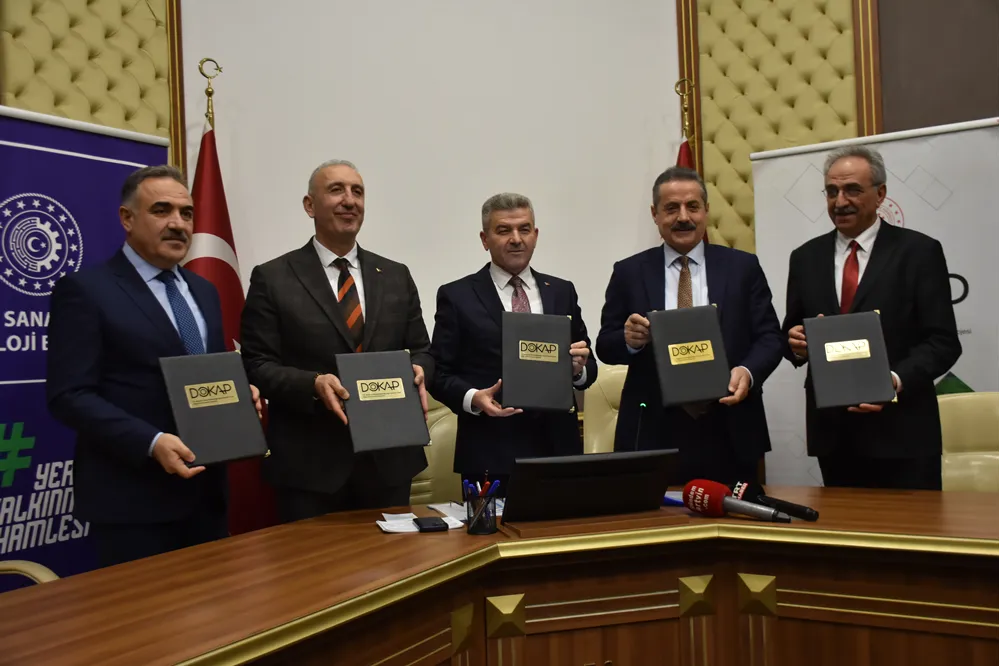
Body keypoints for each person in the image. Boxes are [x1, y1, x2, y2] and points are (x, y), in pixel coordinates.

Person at [46, 165, 261, 567]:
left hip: (207, 497)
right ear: (127, 218)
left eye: (187, 213)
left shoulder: (204, 291)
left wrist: (237, 394)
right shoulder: (86, 291)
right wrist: (151, 441)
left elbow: (205, 374)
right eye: (162, 210)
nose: (178, 224)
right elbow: (69, 395)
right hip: (134, 503)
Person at [240, 160, 432, 522]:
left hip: (389, 463)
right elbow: (256, 364)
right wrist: (312, 383)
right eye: (336, 190)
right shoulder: (273, 277)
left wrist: (420, 370)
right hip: (310, 467)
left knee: (394, 560)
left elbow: (422, 349)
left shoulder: (395, 275)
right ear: (309, 205)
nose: (349, 200)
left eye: (357, 192)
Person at [782, 145, 961, 490]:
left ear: (880, 194)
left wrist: (892, 380)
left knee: (913, 526)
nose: (840, 201)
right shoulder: (805, 257)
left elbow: (943, 342)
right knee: (845, 526)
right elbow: (791, 332)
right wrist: (795, 344)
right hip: (834, 436)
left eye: (852, 190)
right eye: (831, 191)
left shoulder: (919, 252)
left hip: (903, 433)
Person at [596, 167, 784, 485]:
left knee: (736, 516)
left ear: (706, 210)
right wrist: (629, 340)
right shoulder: (629, 272)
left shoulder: (743, 267)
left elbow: (770, 337)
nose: (683, 217)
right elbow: (605, 344)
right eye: (671, 208)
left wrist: (747, 372)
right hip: (654, 431)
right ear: (655, 214)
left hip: (730, 424)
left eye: (692, 206)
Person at [429, 193, 597, 494]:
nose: (516, 239)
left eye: (524, 229)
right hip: (490, 452)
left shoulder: (562, 291)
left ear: (535, 235)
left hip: (559, 451)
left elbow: (588, 366)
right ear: (485, 239)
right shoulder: (457, 296)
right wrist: (473, 398)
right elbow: (438, 372)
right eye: (504, 230)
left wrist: (578, 370)